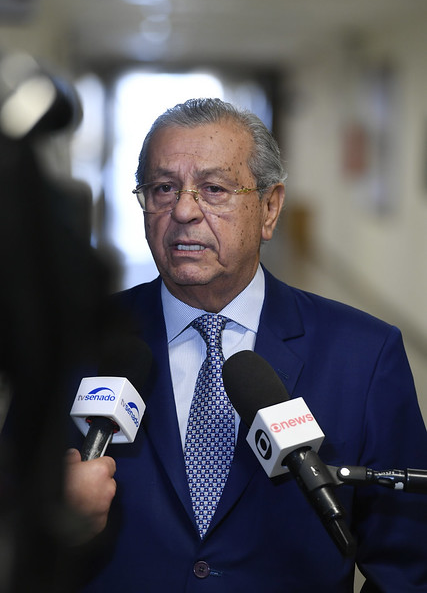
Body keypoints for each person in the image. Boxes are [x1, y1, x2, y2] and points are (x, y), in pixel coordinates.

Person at [66, 98, 427, 592]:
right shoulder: (74, 341)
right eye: (163, 188)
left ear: (269, 208)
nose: (183, 211)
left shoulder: (365, 355)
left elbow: (408, 566)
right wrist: (50, 521)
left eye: (214, 189)